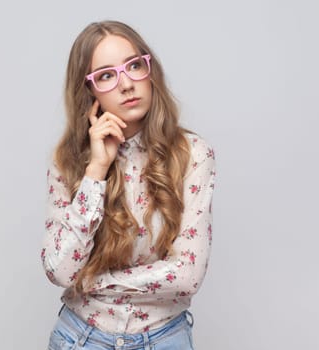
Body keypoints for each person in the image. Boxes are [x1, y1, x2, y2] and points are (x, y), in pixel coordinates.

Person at [41, 20, 216, 350]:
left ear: (150, 72)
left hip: (165, 338)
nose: (126, 85)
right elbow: (61, 271)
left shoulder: (193, 155)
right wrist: (96, 170)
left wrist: (94, 282)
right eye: (106, 75)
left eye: (134, 66)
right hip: (81, 339)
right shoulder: (67, 161)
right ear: (89, 91)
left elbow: (188, 274)